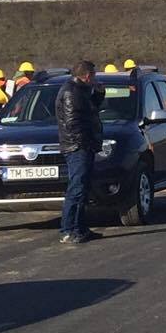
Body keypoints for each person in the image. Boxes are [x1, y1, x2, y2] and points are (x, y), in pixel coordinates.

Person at [56, 59, 103, 244]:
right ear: (88, 75)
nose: (95, 78)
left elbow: (90, 111)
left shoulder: (81, 91)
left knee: (83, 189)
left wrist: (99, 94)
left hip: (83, 145)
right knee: (76, 189)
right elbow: (73, 122)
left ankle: (80, 228)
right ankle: (68, 230)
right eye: (94, 75)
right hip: (77, 147)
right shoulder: (71, 92)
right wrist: (85, 143)